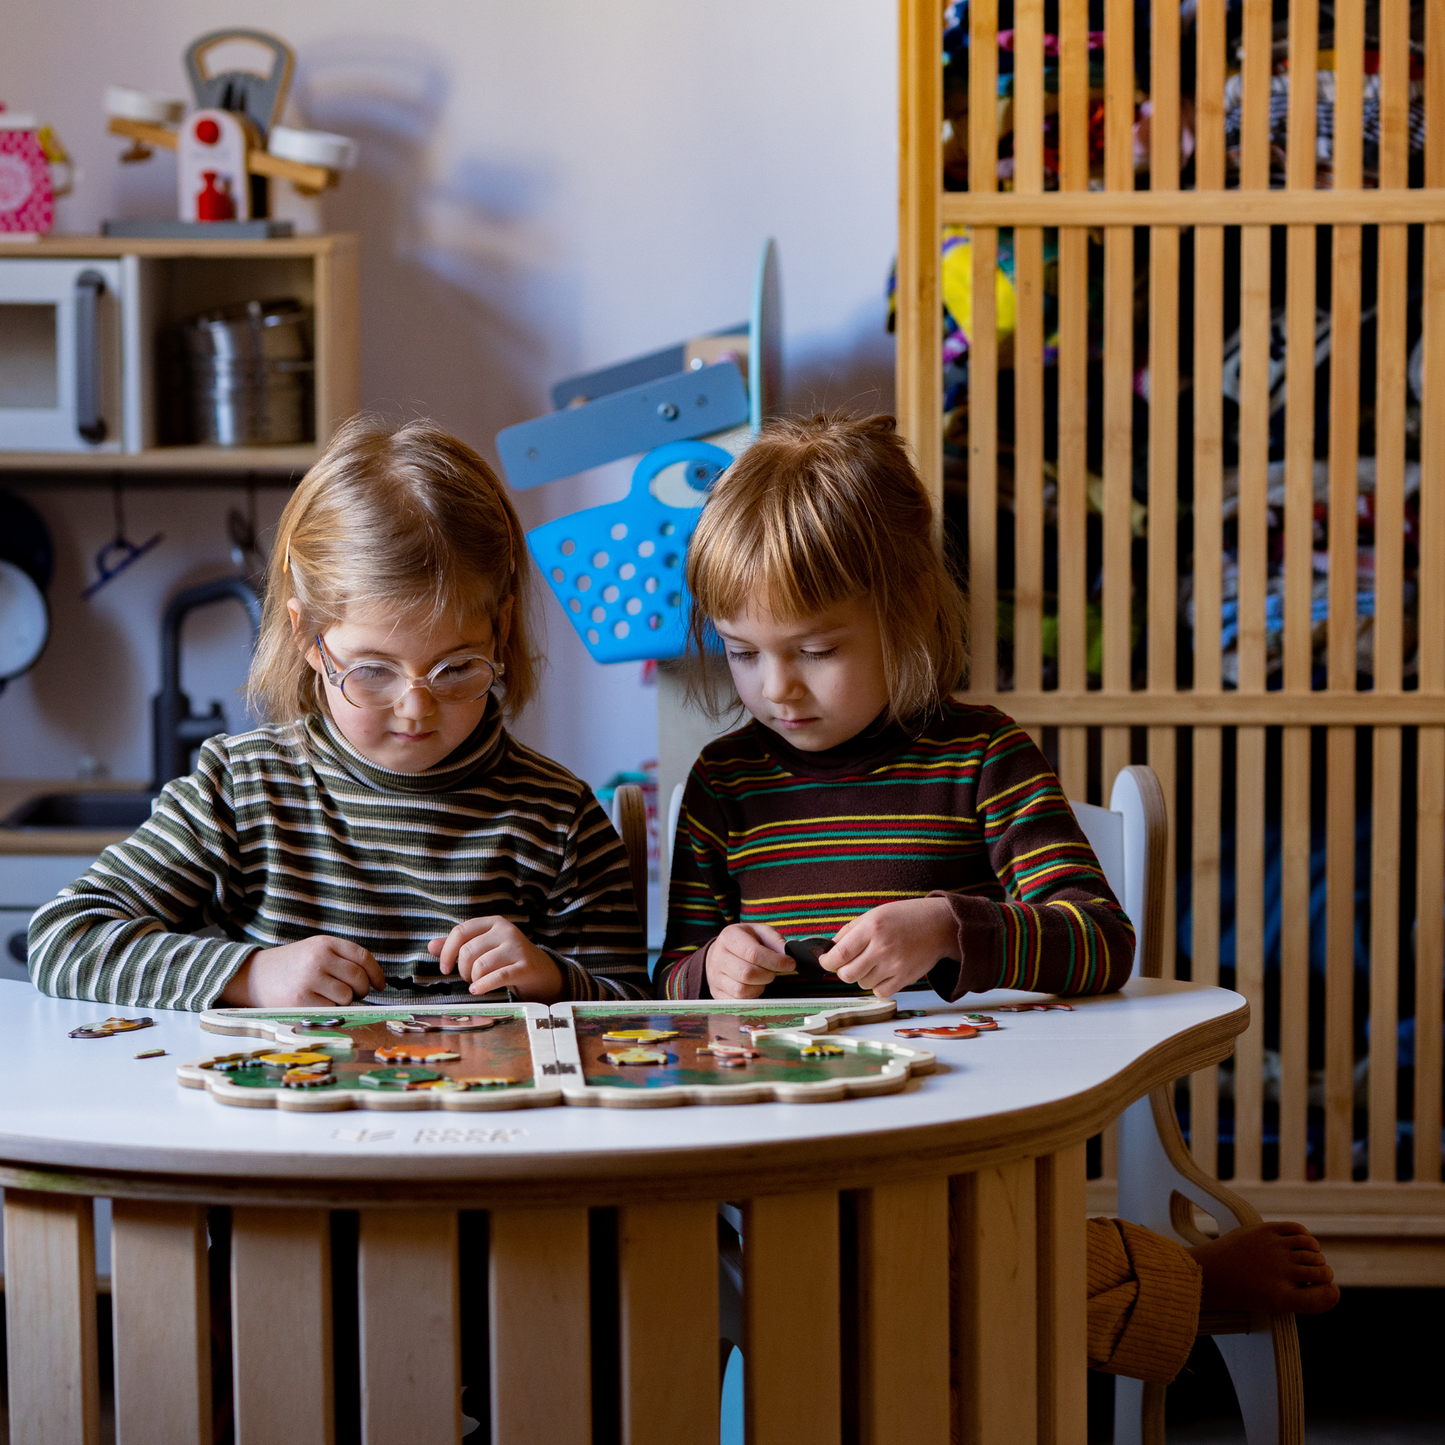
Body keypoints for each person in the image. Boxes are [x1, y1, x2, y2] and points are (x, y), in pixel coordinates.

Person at [662, 412, 1336, 1380]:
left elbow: (1098, 939)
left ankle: (1168, 1284)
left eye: (814, 649)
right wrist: (711, 964)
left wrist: (948, 929)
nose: (776, 688)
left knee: (952, 1260)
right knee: (853, 1278)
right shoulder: (724, 783)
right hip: (782, 1148)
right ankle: (1162, 1281)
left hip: (957, 1148)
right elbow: (662, 984)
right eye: (740, 651)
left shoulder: (979, 756)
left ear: (903, 610)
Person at [28, 417, 647, 1009]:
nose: (415, 708)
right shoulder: (240, 793)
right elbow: (63, 939)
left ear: (500, 628)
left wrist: (552, 979)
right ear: (308, 639)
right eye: (373, 670)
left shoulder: (558, 817)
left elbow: (635, 1010)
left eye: (456, 668)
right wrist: (251, 974)